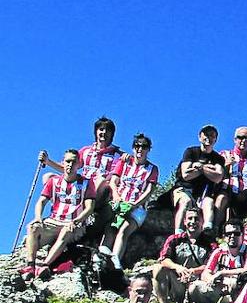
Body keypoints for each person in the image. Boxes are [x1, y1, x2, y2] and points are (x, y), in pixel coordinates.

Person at [23, 149, 97, 280]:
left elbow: (89, 208)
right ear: (63, 162)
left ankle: (45, 265)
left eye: (74, 162)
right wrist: (38, 217)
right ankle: (30, 265)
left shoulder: (86, 183)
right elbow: (41, 201)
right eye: (67, 161)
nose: (70, 165)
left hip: (74, 223)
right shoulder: (54, 181)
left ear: (79, 165)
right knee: (32, 227)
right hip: (54, 220)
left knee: (66, 232)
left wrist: (77, 221)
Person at [101, 133, 159, 265]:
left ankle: (116, 262)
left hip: (137, 208)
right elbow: (113, 181)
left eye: (144, 147)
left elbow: (149, 191)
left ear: (148, 149)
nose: (140, 149)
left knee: (124, 230)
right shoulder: (124, 162)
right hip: (119, 203)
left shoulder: (152, 169)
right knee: (110, 228)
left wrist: (135, 204)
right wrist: (116, 197)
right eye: (137, 146)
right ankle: (103, 259)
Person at [42, 117, 122, 202]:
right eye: (101, 129)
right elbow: (67, 168)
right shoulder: (86, 151)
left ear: (112, 134)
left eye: (108, 130)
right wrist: (47, 161)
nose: (104, 133)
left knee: (101, 180)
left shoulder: (117, 155)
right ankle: (59, 205)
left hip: (101, 193)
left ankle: (91, 209)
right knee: (48, 177)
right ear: (96, 132)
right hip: (82, 187)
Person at [186, 219, 247, 303]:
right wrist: (212, 280)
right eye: (228, 234)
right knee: (194, 288)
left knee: (235, 283)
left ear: (242, 235)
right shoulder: (219, 251)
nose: (232, 236)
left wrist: (222, 273)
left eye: (236, 233)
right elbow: (206, 272)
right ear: (224, 236)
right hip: (220, 291)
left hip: (240, 294)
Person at [153, 205, 214, 303]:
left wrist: (193, 271)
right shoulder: (174, 239)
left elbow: (211, 265)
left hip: (198, 284)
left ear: (202, 221)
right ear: (185, 221)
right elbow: (164, 259)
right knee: (158, 268)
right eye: (190, 218)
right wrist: (178, 268)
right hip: (177, 282)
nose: (193, 222)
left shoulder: (210, 243)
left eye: (196, 219)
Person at [171, 125, 226, 234]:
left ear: (215, 139)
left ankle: (208, 232)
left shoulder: (218, 158)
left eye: (212, 136)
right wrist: (209, 169)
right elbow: (186, 174)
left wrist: (200, 167)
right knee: (185, 202)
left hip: (203, 195)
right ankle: (178, 235)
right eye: (205, 135)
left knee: (209, 203)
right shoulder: (190, 152)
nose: (208, 138)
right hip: (184, 189)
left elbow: (218, 177)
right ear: (200, 137)